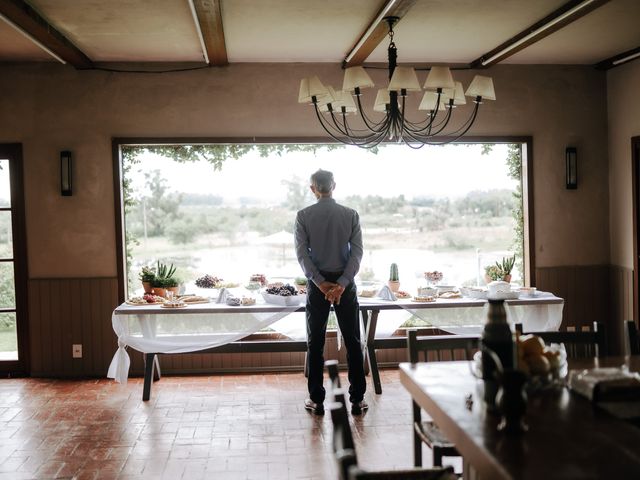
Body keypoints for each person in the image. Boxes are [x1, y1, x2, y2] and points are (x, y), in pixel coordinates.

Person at [294, 169, 367, 415]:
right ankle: (357, 400)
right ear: (334, 185)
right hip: (344, 285)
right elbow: (356, 254)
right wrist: (343, 283)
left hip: (318, 286)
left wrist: (320, 282)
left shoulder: (303, 216)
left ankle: (316, 400)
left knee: (315, 342)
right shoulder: (351, 214)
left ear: (312, 188)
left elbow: (302, 255)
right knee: (353, 341)